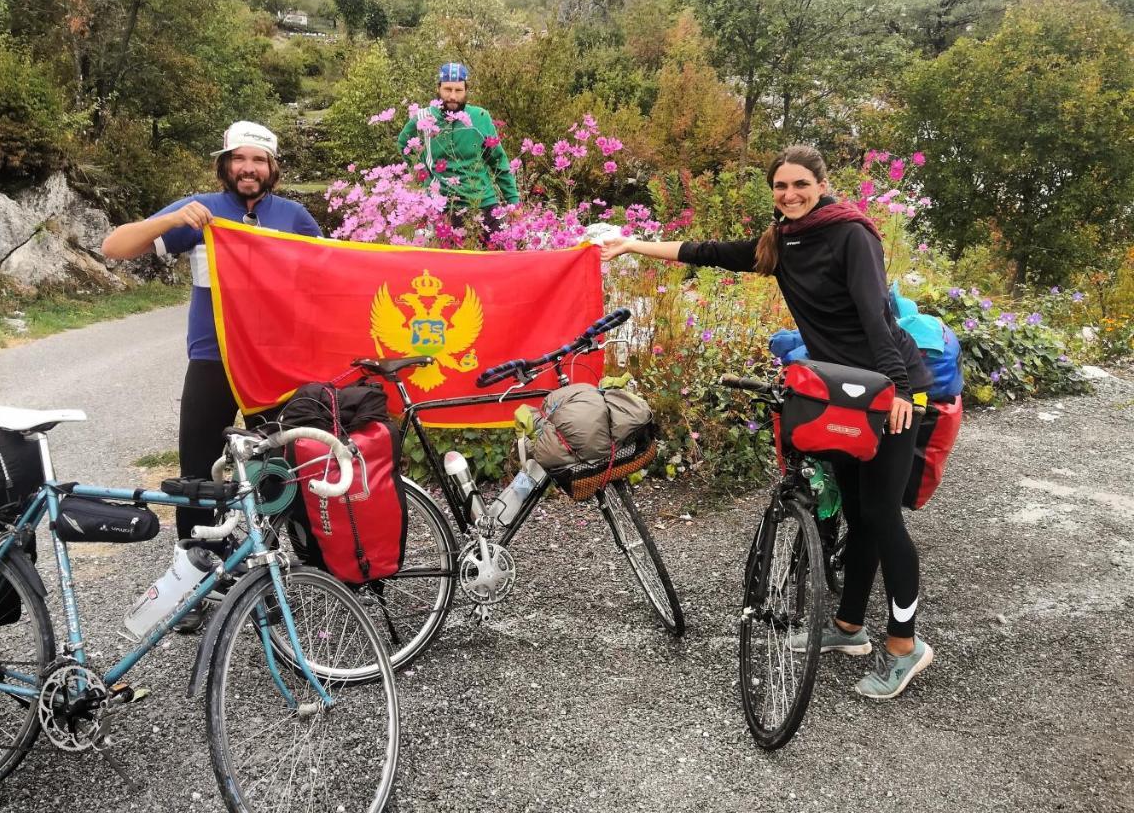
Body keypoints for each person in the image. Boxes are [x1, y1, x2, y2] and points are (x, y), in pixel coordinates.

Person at [600, 144, 934, 700]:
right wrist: (632, 242)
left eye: (800, 183)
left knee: (881, 514)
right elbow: (706, 251)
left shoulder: (852, 234)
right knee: (857, 510)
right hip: (842, 391)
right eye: (781, 186)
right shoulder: (782, 240)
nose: (790, 194)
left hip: (893, 389)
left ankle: (906, 646)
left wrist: (900, 386)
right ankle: (848, 628)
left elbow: (877, 313)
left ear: (821, 184)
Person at [101, 120, 322, 551]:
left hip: (273, 363)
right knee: (198, 475)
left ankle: (291, 571)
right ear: (224, 165)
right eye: (238, 158)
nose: (248, 168)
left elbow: (334, 276)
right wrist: (170, 219)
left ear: (272, 168)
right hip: (213, 359)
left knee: (282, 470)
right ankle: (197, 573)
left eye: (258, 160)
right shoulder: (198, 209)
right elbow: (114, 247)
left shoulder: (294, 217)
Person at [396, 62, 518, 236]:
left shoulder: (480, 117)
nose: (452, 96)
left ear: (466, 90)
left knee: (497, 258)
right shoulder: (424, 118)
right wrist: (424, 174)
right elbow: (403, 143)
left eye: (458, 90)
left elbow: (498, 160)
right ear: (438, 88)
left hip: (483, 203)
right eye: (447, 89)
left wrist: (513, 201)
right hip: (443, 207)